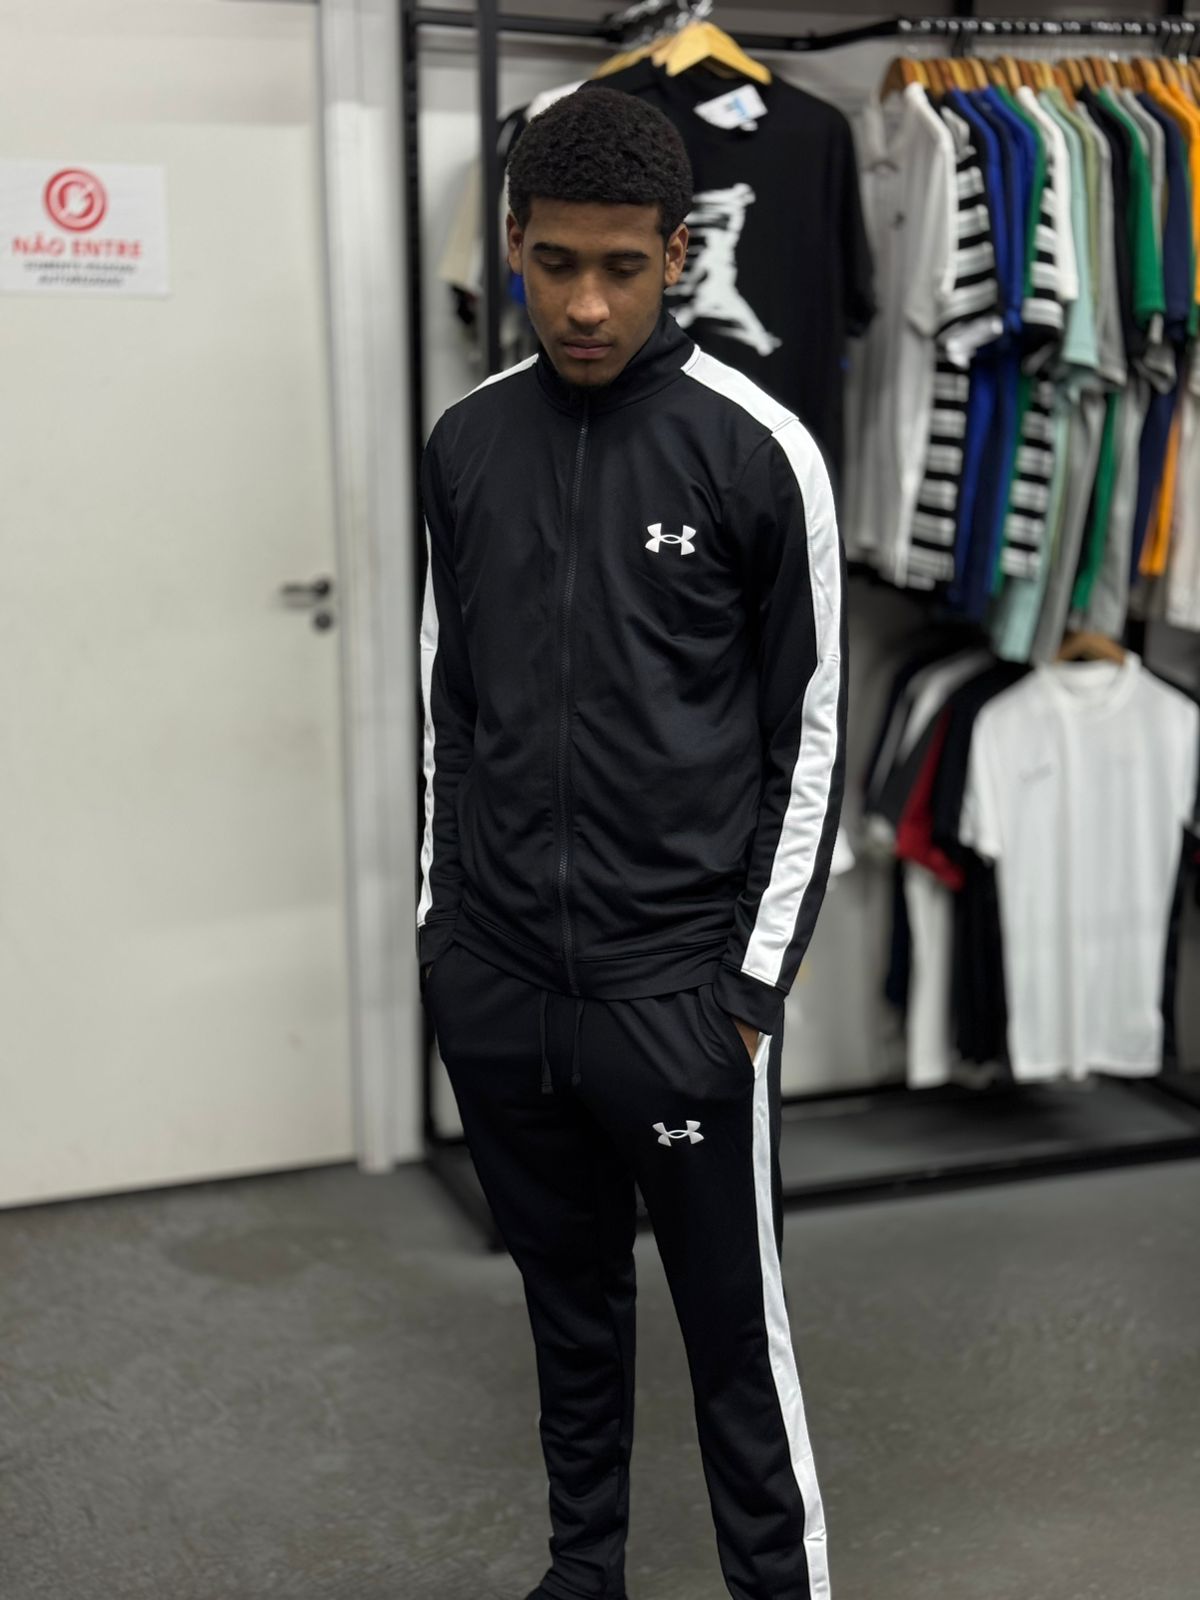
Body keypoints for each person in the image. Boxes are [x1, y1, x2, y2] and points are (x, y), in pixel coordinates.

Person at [418, 85, 845, 1600]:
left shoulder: (758, 449)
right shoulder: (467, 441)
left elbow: (810, 739)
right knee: (567, 1310)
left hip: (679, 996)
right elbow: (449, 706)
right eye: (554, 265)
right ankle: (580, 1570)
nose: (585, 306)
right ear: (514, 247)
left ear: (678, 254)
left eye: (619, 267)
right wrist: (444, 937)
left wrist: (747, 991)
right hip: (502, 983)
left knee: (735, 1339)